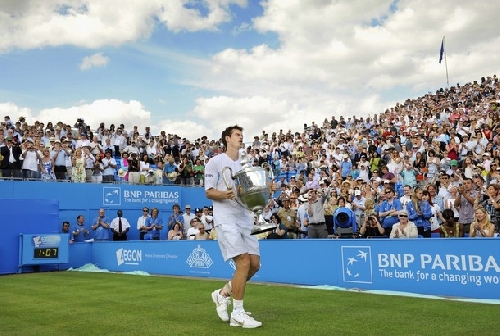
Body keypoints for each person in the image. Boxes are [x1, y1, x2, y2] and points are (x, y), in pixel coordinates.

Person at [205, 125, 263, 328]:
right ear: (227, 139)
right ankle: (238, 313)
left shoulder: (245, 165)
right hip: (225, 218)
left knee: (254, 264)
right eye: (238, 135)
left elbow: (248, 194)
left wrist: (264, 190)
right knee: (243, 262)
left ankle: (223, 294)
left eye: (242, 135)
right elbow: (209, 192)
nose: (241, 138)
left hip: (244, 218)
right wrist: (225, 194)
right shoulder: (215, 162)